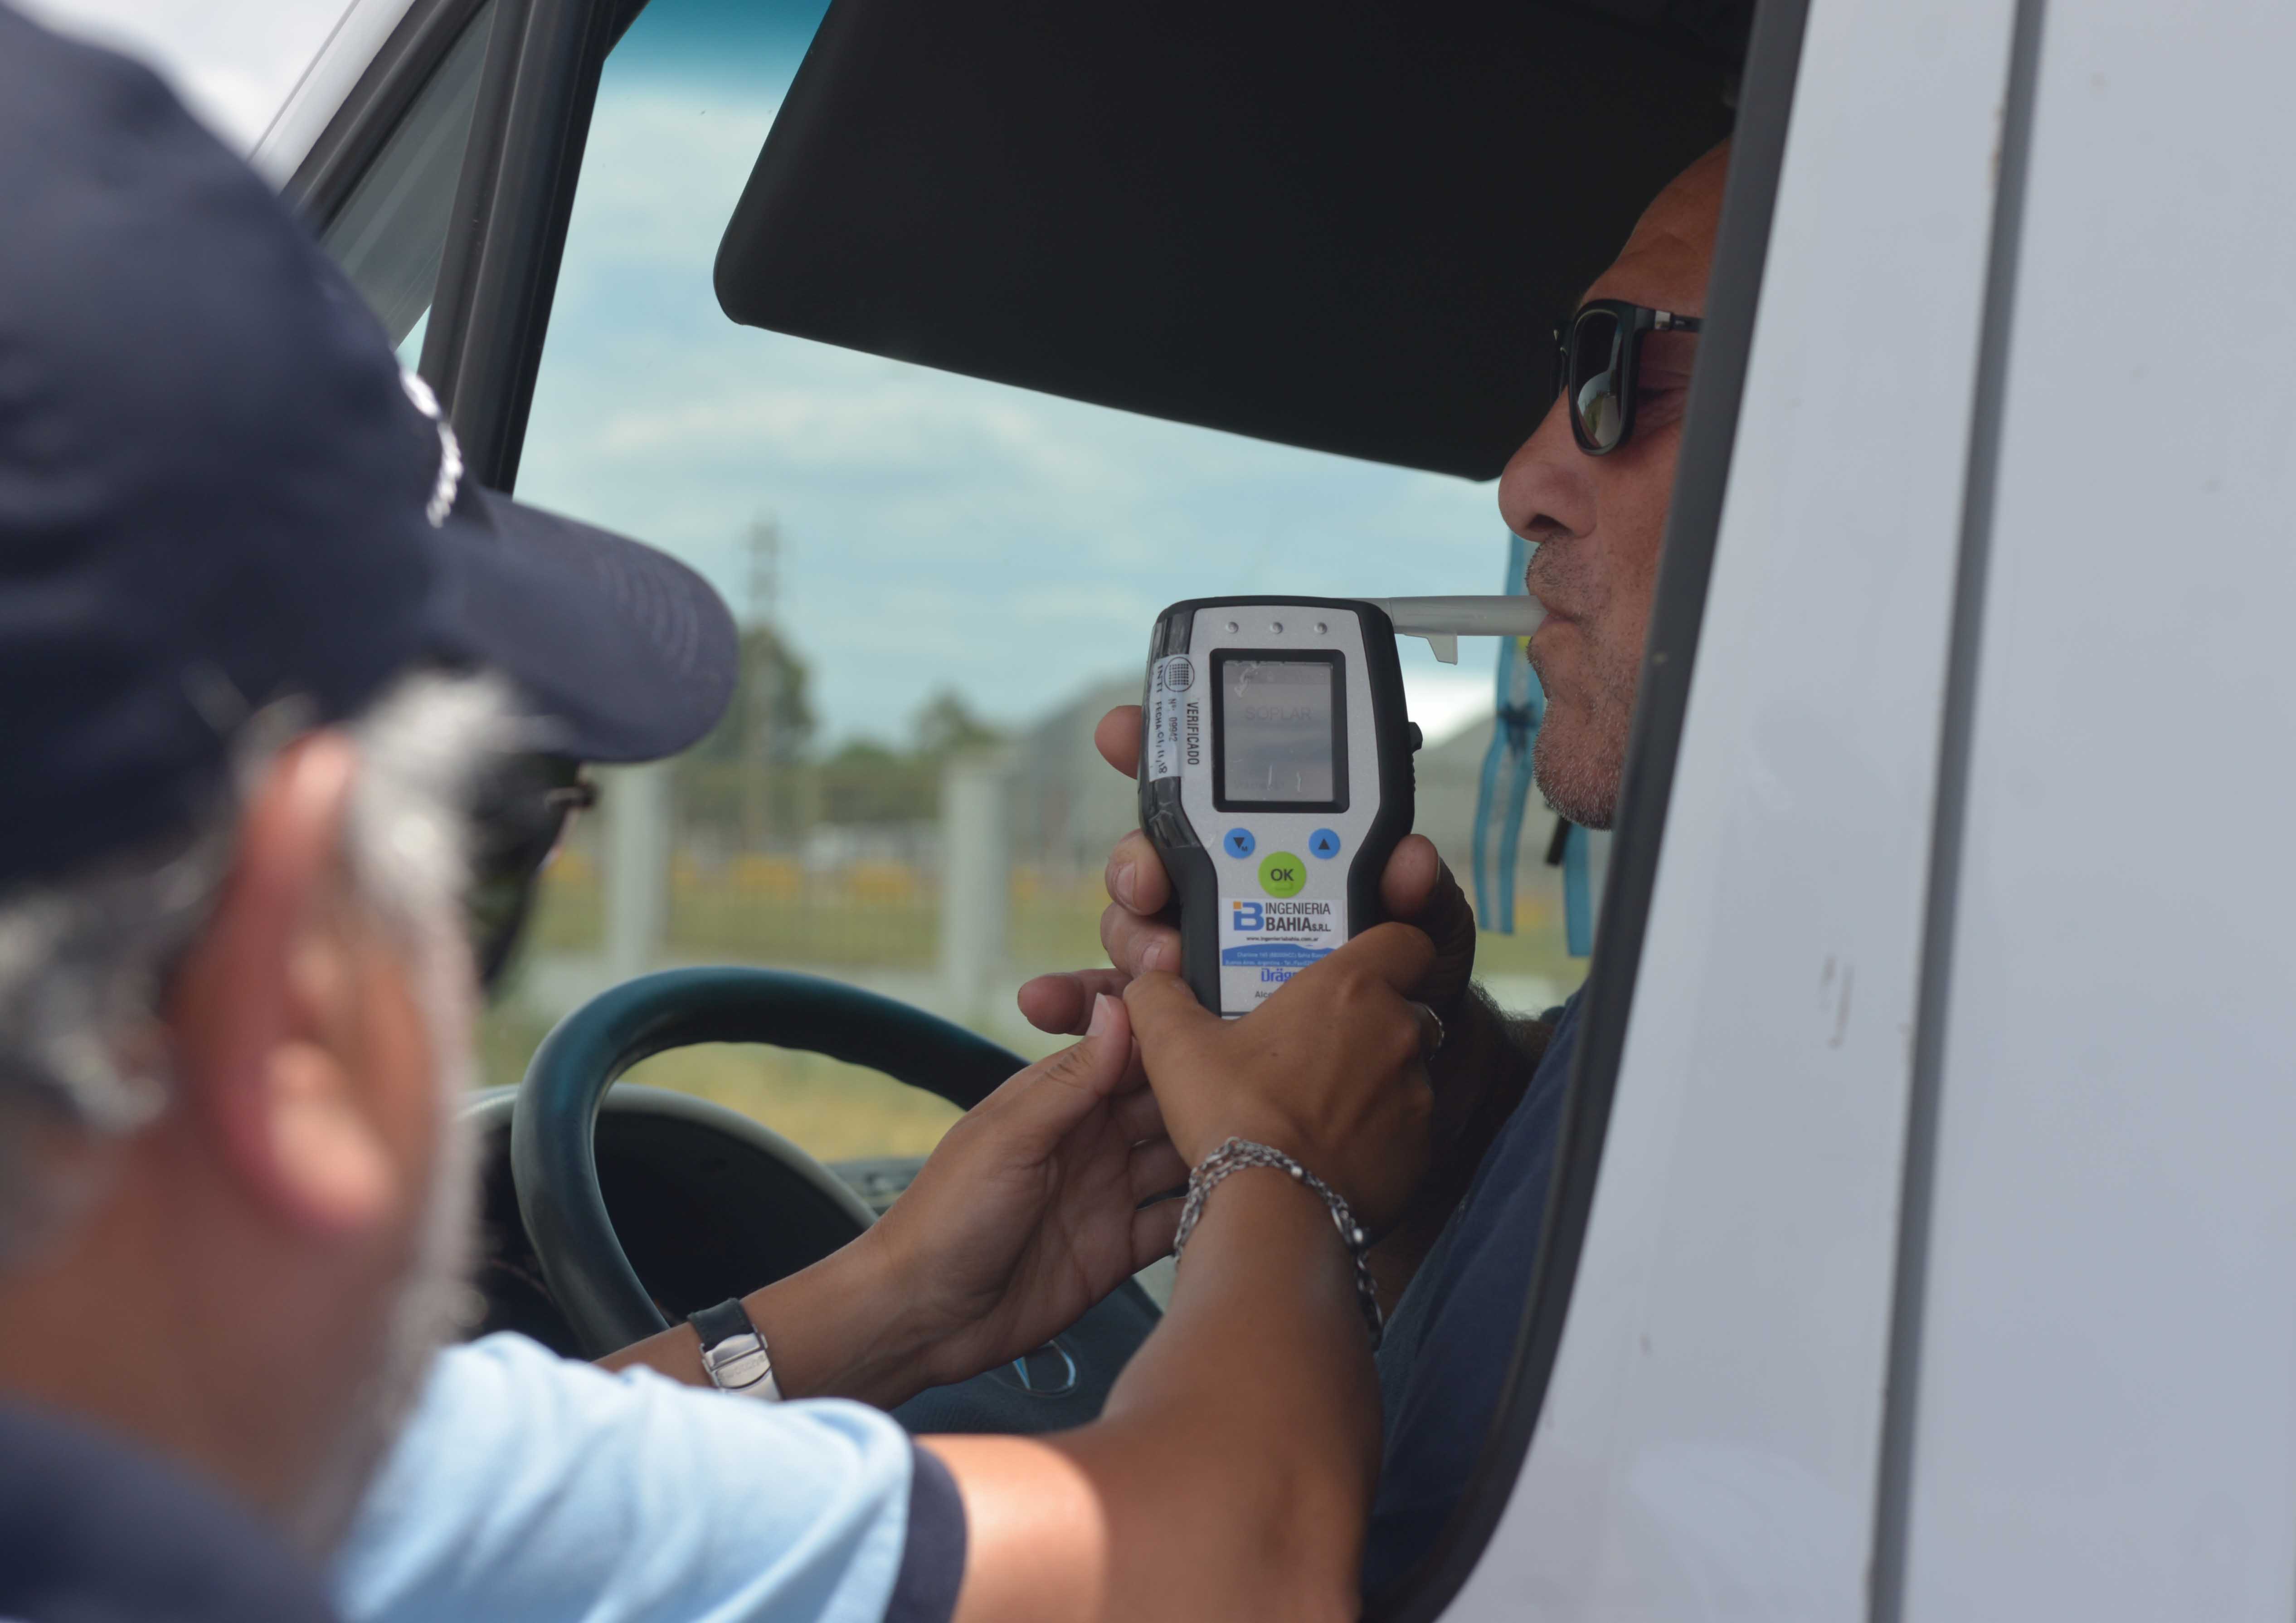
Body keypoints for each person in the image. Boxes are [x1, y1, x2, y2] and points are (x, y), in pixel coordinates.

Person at [0, 17, 1445, 1623]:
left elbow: (458, 1503)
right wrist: (1282, 1164)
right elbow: (1233, 1564)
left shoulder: (156, 1452)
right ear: (302, 990)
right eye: (490, 851)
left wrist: (896, 1300)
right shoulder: (198, 1485)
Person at [1021, 140, 1734, 1594]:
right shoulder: (1736, 978)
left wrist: (1269, 1172)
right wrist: (1442, 1120)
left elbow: (1226, 1574)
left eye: (1619, 371)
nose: (1524, 483)